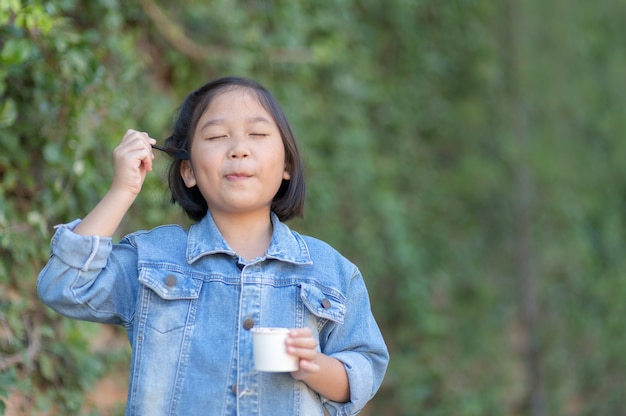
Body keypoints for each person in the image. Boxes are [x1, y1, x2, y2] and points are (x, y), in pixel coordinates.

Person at [38, 76, 389, 415]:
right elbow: (65, 285)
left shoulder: (331, 272)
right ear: (188, 170)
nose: (238, 149)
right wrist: (121, 191)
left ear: (286, 165)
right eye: (217, 136)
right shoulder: (155, 259)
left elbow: (364, 370)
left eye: (258, 134)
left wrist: (315, 366)